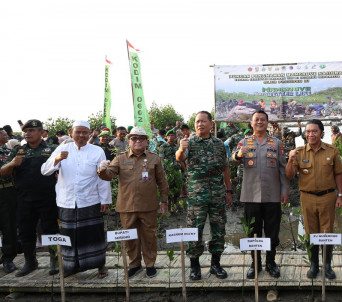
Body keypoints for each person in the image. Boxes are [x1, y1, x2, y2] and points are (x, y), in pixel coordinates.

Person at [41, 121, 111, 277]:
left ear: (89, 134)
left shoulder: (97, 151)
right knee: (68, 235)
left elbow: (103, 177)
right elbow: (44, 171)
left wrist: (105, 199)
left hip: (90, 199)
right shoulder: (62, 149)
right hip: (67, 200)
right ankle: (70, 267)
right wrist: (57, 159)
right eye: (78, 132)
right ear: (71, 132)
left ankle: (100, 265)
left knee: (94, 234)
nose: (81, 135)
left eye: (85, 132)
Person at [98, 126, 169, 278]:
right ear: (129, 141)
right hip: (127, 205)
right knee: (130, 237)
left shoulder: (154, 158)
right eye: (134, 138)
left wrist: (164, 202)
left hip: (148, 205)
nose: (137, 141)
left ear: (146, 141)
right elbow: (108, 175)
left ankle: (150, 264)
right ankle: (134, 264)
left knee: (149, 237)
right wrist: (102, 169)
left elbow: (162, 182)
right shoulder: (120, 158)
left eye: (141, 138)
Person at [176, 111, 233, 280]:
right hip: (197, 195)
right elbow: (180, 158)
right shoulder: (189, 142)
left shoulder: (218, 144)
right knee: (194, 230)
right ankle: (195, 266)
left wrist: (229, 191)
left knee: (218, 230)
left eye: (203, 121)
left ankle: (216, 264)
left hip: (217, 194)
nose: (200, 124)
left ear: (211, 124)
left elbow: (225, 168)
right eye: (197, 122)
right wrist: (180, 149)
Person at [233, 110, 289, 278]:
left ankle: (271, 263)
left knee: (272, 231)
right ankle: (255, 263)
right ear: (251, 123)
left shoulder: (277, 143)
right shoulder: (243, 142)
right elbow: (234, 162)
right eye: (256, 120)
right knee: (253, 231)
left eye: (263, 120)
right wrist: (238, 155)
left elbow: (283, 169)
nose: (259, 122)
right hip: (251, 195)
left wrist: (285, 191)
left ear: (267, 123)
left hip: (272, 195)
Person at [0, 120, 59, 277]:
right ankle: (30, 262)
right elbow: (3, 172)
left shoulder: (52, 149)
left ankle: (55, 261)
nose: (27, 133)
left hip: (48, 197)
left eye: (32, 130)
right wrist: (12, 163)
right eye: (25, 131)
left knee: (50, 229)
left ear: (41, 132)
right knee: (26, 231)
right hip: (24, 198)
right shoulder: (18, 150)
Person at [286, 119, 342, 279]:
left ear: (322, 133)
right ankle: (313, 265)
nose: (310, 134)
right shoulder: (299, 152)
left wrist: (340, 195)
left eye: (314, 131)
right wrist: (290, 159)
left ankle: (327, 265)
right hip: (307, 197)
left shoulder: (332, 151)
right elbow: (289, 175)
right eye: (308, 131)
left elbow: (338, 174)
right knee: (310, 232)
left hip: (327, 197)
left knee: (327, 232)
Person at [0, 129, 18, 273]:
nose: (6, 135)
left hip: (8, 191)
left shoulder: (9, 151)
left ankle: (8, 259)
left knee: (9, 226)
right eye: (3, 133)